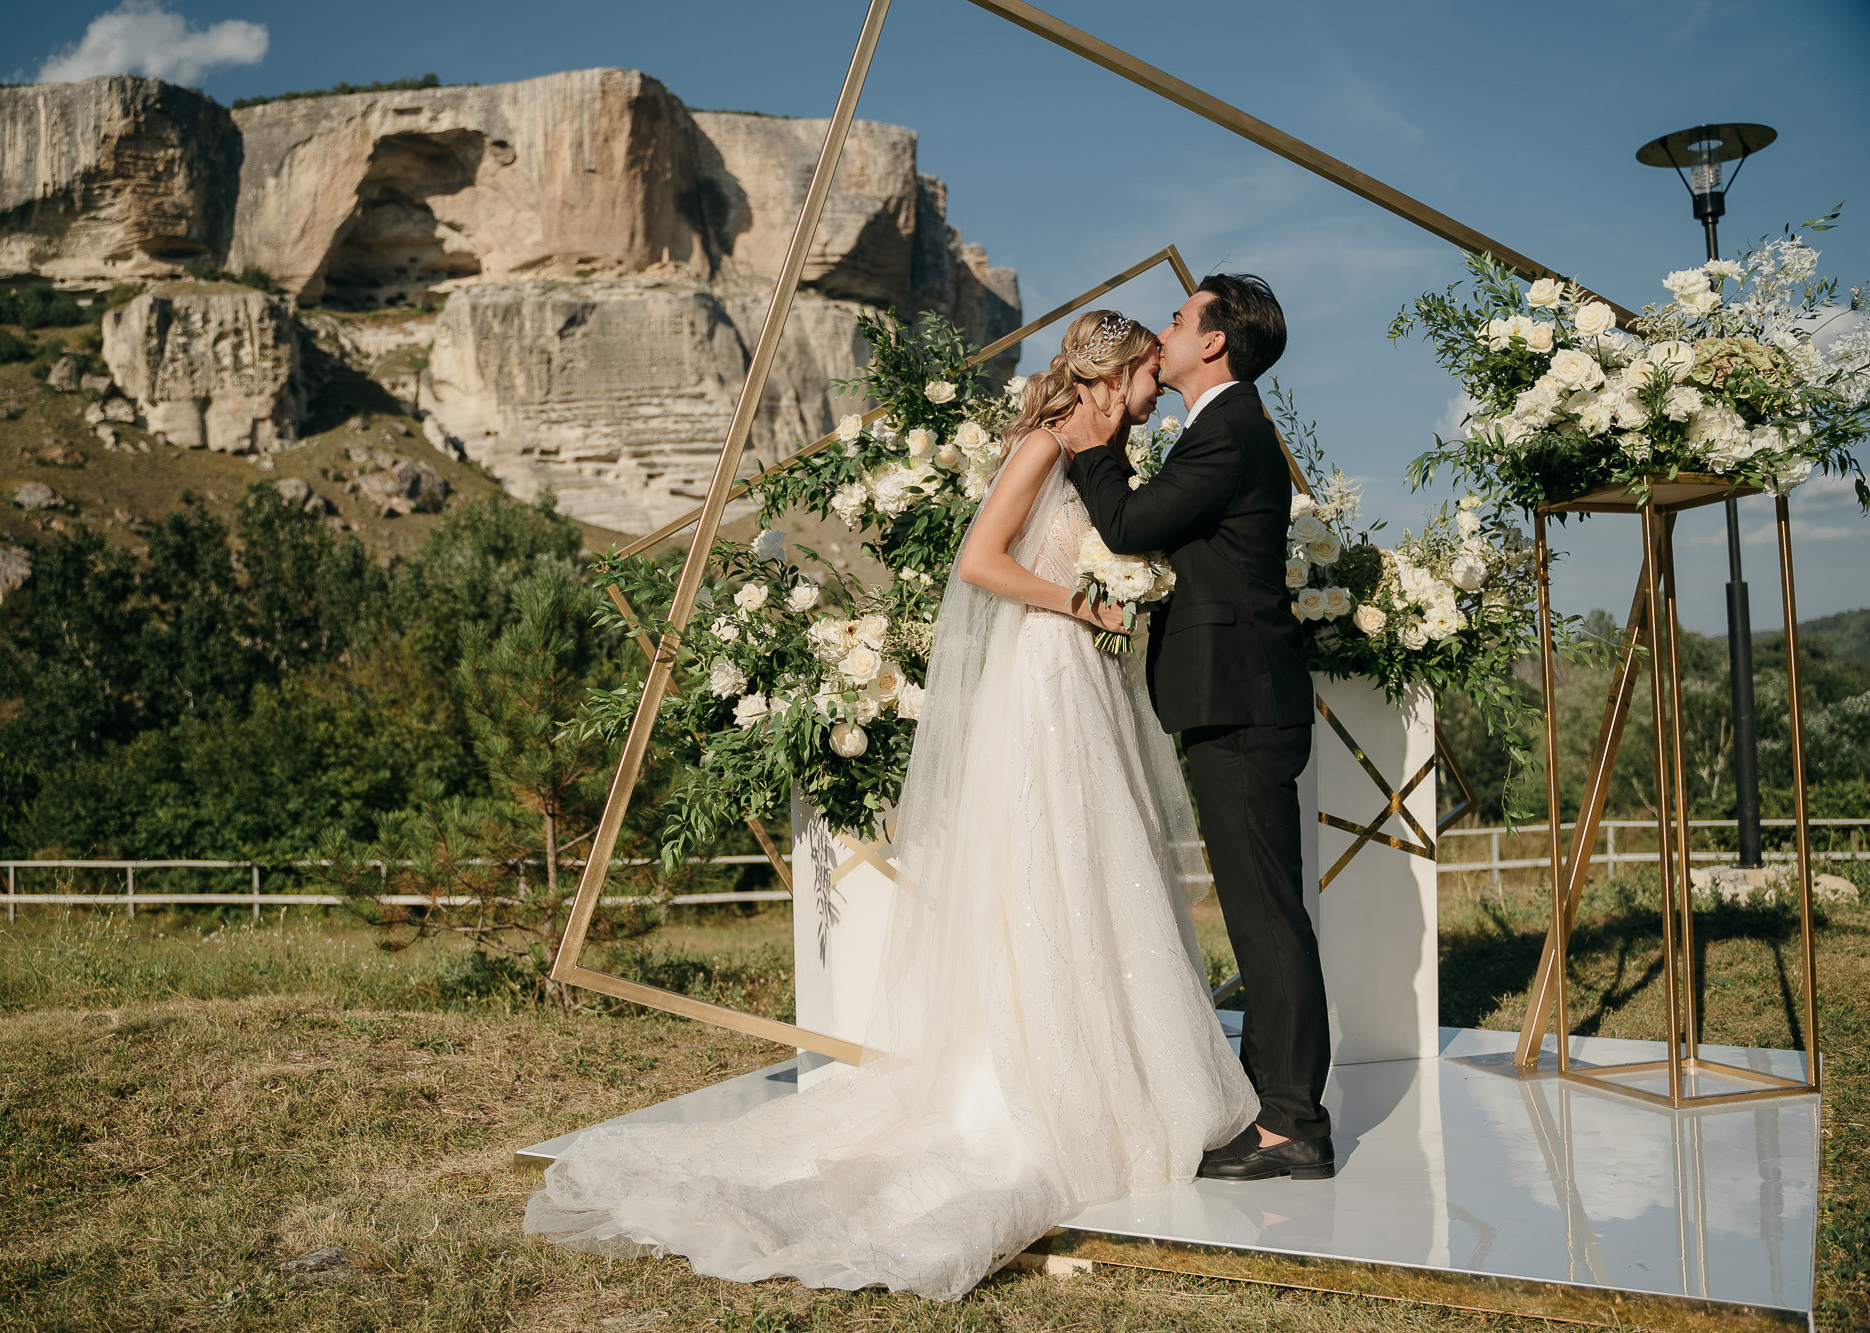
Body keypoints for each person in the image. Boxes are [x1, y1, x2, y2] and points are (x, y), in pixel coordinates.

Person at [525, 310, 1257, 1300]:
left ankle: (1120, 1071)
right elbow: (979, 563)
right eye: (1146, 375)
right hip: (1044, 678)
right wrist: (1079, 601)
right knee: (1050, 865)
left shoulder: (1111, 459)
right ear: (1112, 375)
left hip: (1085, 679)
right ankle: (1036, 1085)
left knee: (1100, 868)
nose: (1156, 388)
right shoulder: (1044, 446)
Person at [1058, 274, 1331, 1183]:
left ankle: (1294, 1123)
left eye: (1179, 319)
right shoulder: (1221, 427)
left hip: (1242, 702)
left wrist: (1090, 448)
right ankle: (1269, 1102)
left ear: (1213, 341)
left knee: (1266, 913)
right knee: (1256, 909)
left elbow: (1132, 522)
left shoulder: (1230, 428)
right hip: (1233, 700)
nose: (1165, 331)